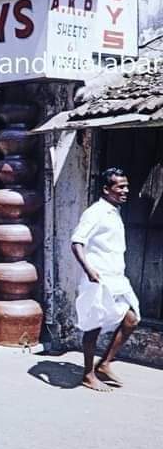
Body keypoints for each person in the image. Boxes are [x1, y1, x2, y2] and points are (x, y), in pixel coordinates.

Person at [71, 167, 140, 392]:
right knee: (94, 326)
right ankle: (88, 375)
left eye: (126, 186)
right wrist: (89, 270)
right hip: (98, 279)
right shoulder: (96, 212)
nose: (125, 190)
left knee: (131, 319)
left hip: (116, 278)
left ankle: (105, 364)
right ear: (106, 189)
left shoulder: (113, 211)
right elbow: (77, 242)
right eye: (120, 187)